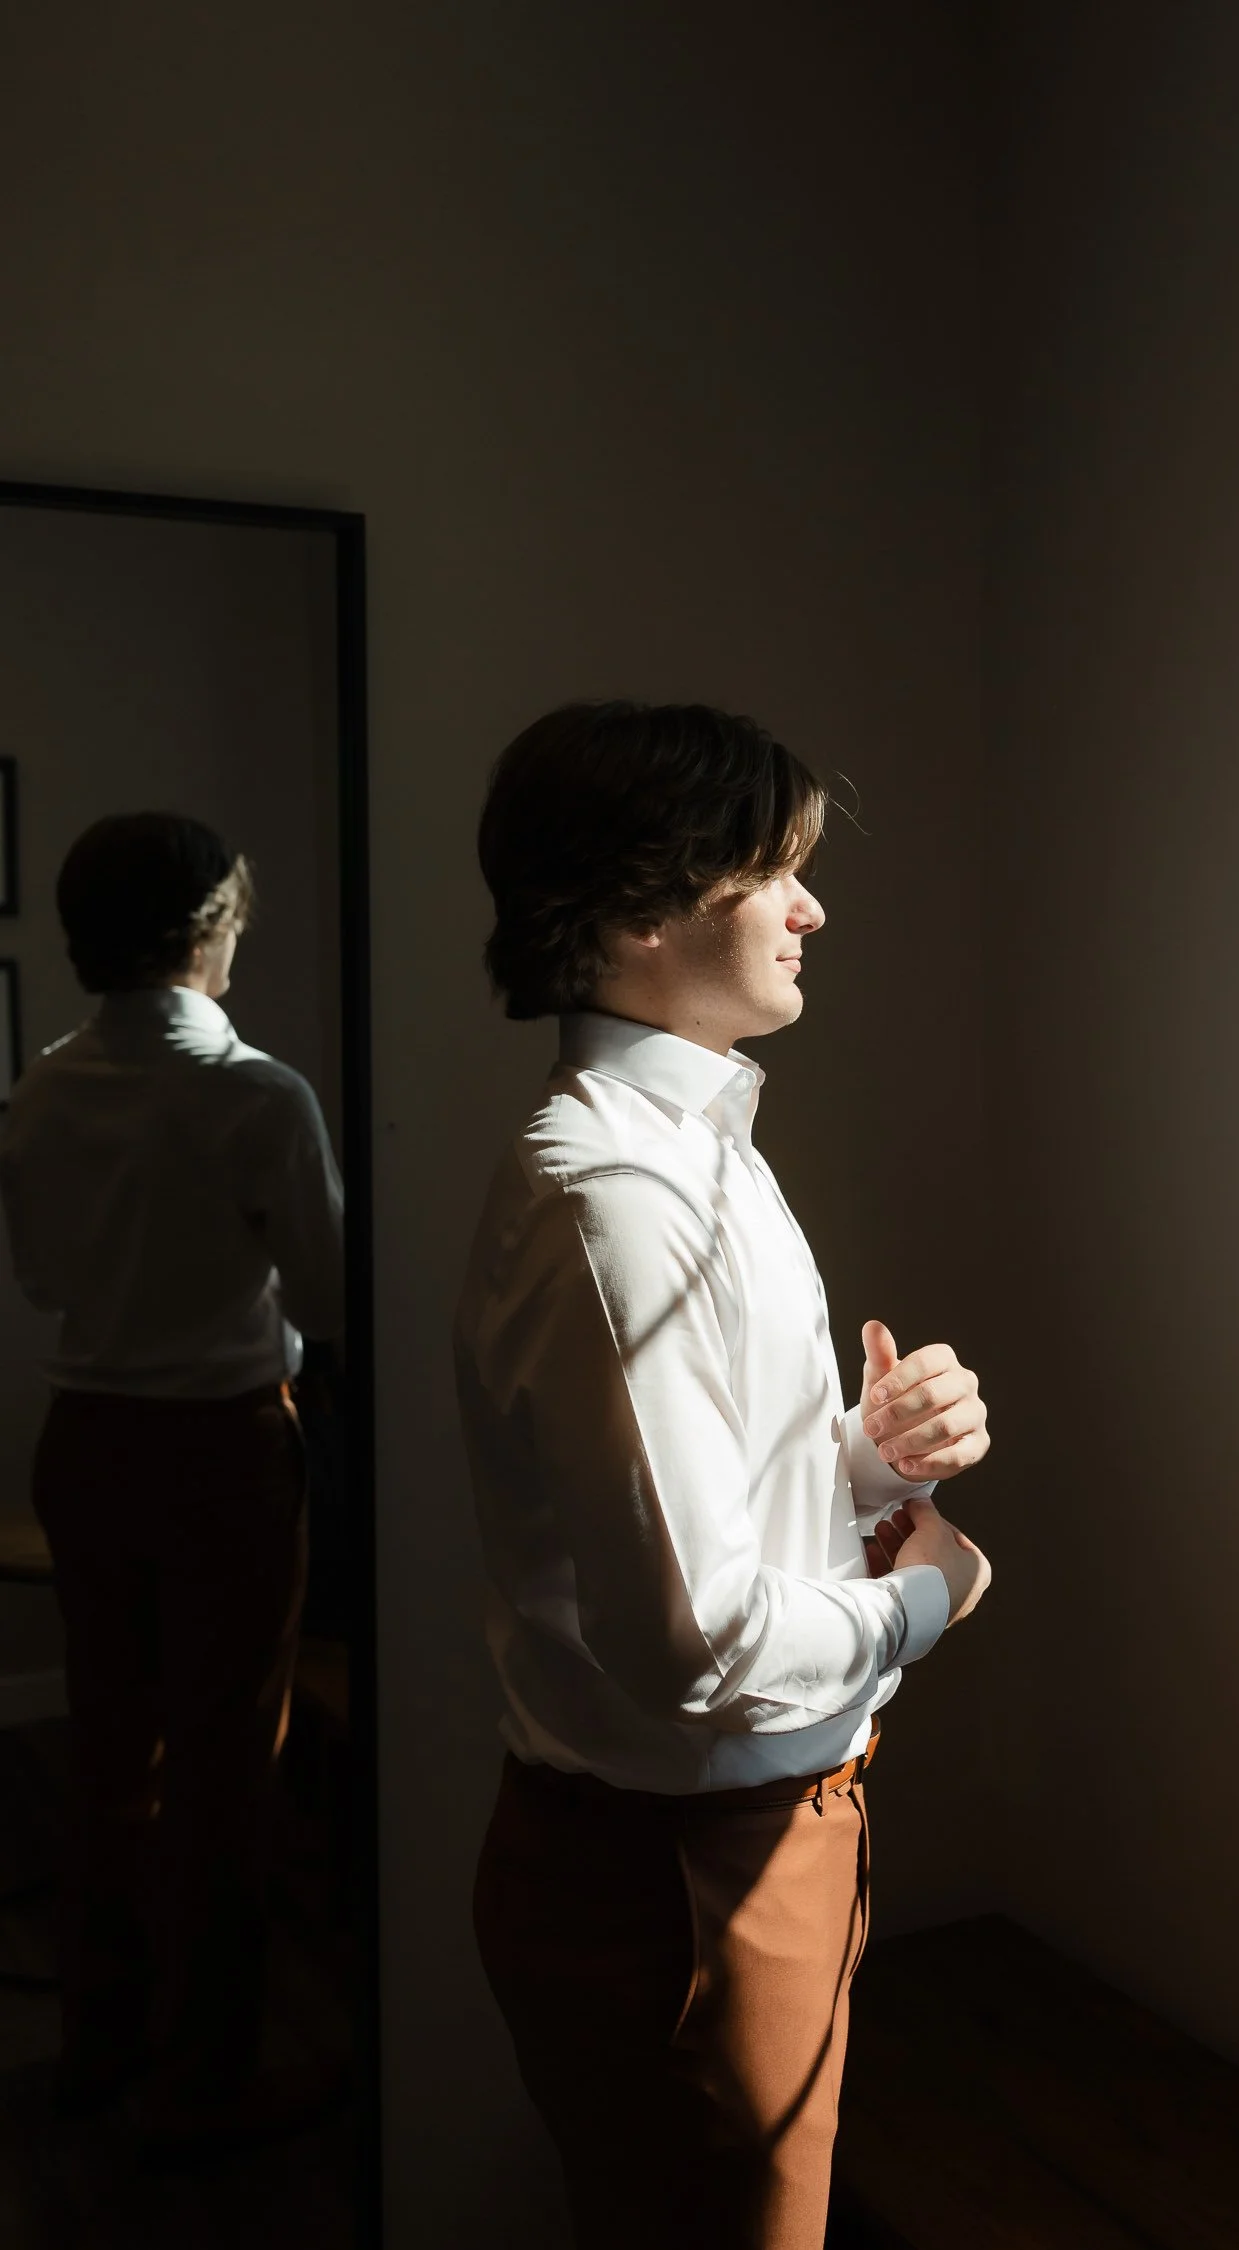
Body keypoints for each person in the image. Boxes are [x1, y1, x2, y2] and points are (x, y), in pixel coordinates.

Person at [455, 703, 992, 2250]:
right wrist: (925, 1595)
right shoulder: (614, 1197)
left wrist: (861, 1455)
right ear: (640, 909)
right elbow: (703, 1642)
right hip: (686, 1890)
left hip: (750, 1854)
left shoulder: (701, 1146)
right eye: (776, 871)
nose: (813, 908)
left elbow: (693, 1523)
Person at [0, 811, 345, 2158]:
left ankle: (98, 2044)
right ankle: (207, 2078)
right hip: (218, 1447)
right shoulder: (257, 1094)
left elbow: (39, 1279)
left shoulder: (38, 1089)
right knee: (223, 1775)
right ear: (216, 930)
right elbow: (324, 1292)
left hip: (85, 1437)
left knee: (107, 1755)